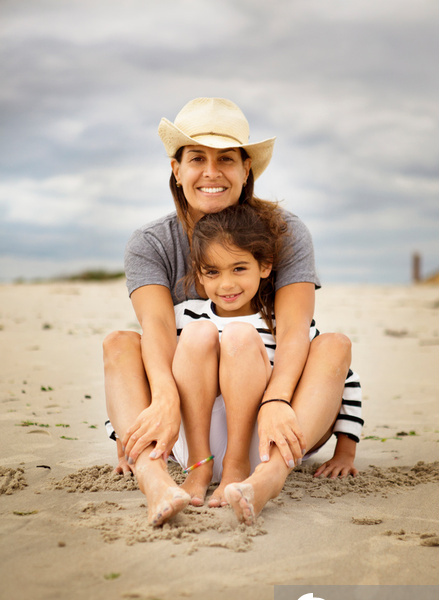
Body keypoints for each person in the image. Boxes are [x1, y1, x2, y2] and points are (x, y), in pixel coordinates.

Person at [103, 97, 362, 527]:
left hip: (274, 417)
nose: (211, 172)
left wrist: (278, 399)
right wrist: (165, 399)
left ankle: (268, 478)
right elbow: (158, 328)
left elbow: (296, 329)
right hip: (189, 416)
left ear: (246, 170)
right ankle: (154, 479)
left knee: (334, 344)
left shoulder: (286, 231)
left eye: (226, 159)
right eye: (197, 159)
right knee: (120, 343)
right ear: (176, 169)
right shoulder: (150, 242)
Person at [169, 204, 363, 512]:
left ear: (265, 266)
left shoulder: (279, 323)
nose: (227, 284)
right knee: (201, 335)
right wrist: (124, 444)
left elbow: (343, 378)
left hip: (266, 443)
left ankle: (256, 475)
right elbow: (152, 377)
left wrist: (345, 451)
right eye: (213, 272)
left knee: (327, 344)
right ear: (199, 275)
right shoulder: (185, 317)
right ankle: (200, 468)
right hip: (198, 439)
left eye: (239, 268)